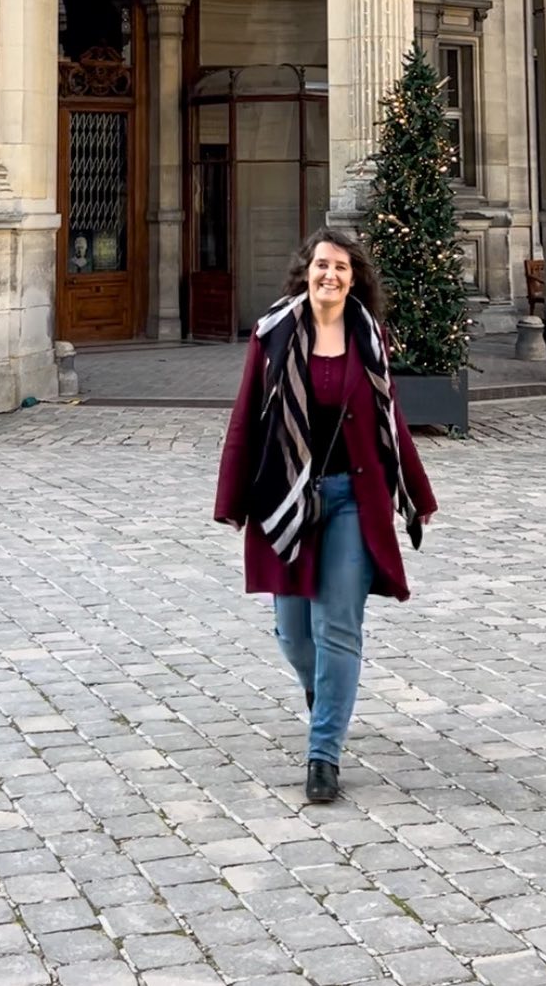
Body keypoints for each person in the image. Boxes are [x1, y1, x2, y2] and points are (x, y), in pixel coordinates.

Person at [214, 227, 438, 806]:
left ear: (354, 278)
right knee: (293, 633)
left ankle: (324, 754)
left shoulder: (369, 336)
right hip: (285, 497)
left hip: (352, 498)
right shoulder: (272, 333)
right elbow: (247, 415)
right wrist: (231, 499)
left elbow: (390, 419)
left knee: (337, 626)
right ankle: (327, 699)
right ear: (306, 272)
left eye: (341, 267)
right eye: (321, 265)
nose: (329, 275)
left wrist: (416, 493)